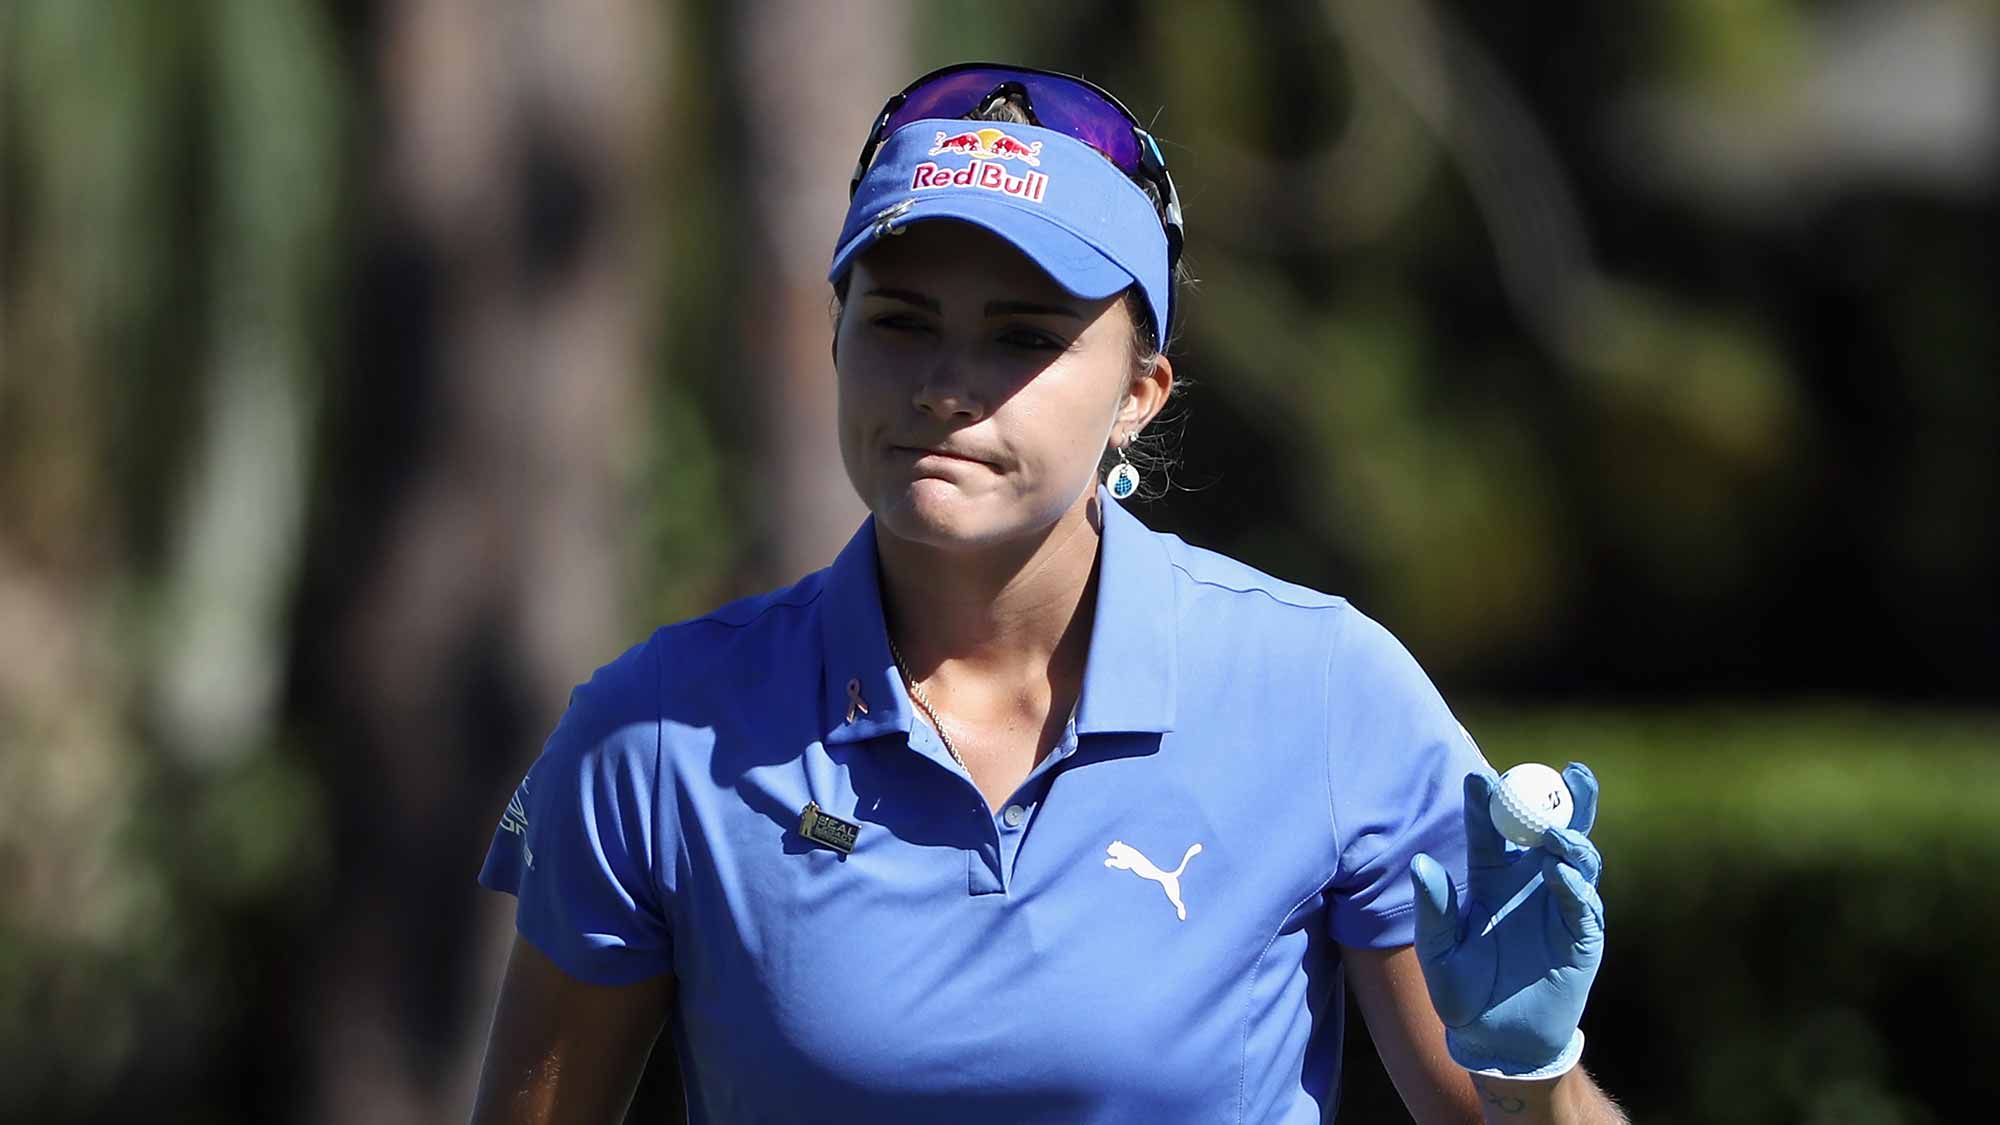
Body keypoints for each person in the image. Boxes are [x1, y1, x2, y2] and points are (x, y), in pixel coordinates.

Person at [469, 62, 1626, 1125]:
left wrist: (1534, 1071)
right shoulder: (654, 729)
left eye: (1021, 338)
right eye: (899, 323)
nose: (944, 387)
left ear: (1140, 392)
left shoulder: (1322, 690)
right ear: (834, 343)